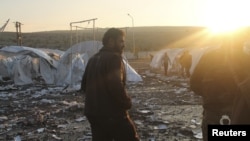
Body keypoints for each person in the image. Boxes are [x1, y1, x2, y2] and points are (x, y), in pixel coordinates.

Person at [190, 28, 250, 141]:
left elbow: (194, 84)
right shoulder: (247, 60)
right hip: (240, 116)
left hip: (213, 115)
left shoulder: (208, 58)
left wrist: (211, 96)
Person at [81, 28, 140, 141]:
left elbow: (84, 85)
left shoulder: (93, 59)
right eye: (121, 41)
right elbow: (115, 85)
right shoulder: (114, 58)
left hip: (93, 113)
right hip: (112, 114)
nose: (123, 44)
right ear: (111, 41)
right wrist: (126, 102)